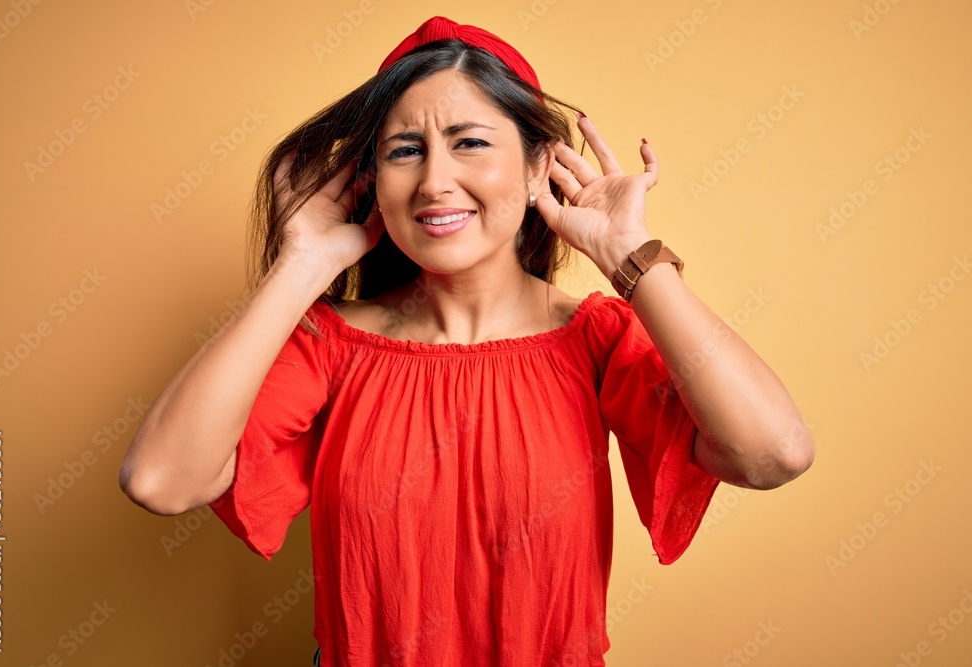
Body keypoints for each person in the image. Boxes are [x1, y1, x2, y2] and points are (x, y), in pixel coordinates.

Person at [119, 15, 814, 666]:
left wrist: (629, 255)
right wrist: (299, 263)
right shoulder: (329, 345)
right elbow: (160, 480)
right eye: (404, 151)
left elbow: (773, 452)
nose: (433, 182)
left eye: (470, 142)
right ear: (372, 181)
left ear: (541, 166)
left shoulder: (594, 338)